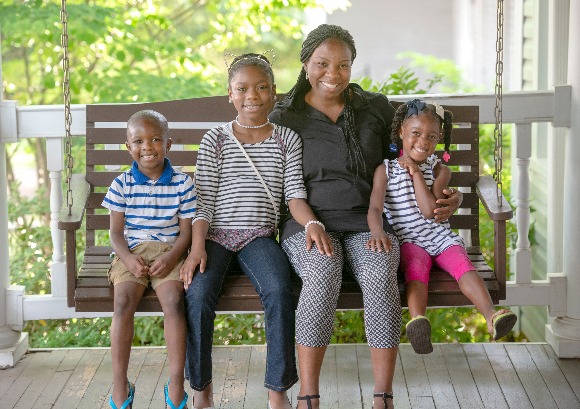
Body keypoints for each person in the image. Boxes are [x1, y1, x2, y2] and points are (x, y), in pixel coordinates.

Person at [269, 24, 462, 409]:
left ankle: (382, 397)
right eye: (322, 64)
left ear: (353, 65)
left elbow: (414, 147)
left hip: (369, 221)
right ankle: (308, 395)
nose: (332, 74)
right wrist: (310, 223)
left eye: (343, 65)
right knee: (322, 273)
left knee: (380, 275)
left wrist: (445, 190)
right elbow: (279, 183)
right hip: (308, 223)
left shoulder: (374, 107)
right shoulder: (286, 116)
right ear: (306, 63)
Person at [179, 53, 333, 409]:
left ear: (274, 93)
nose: (253, 95)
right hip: (215, 235)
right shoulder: (214, 140)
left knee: (280, 290)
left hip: (258, 237)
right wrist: (197, 246)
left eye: (262, 87)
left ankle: (276, 391)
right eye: (243, 88)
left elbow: (294, 195)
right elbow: (202, 203)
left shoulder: (286, 140)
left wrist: (311, 223)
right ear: (230, 95)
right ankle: (201, 390)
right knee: (198, 296)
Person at [367, 99, 518, 356]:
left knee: (463, 266)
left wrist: (416, 173)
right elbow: (374, 209)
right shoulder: (386, 170)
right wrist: (377, 231)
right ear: (402, 132)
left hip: (439, 235)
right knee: (416, 270)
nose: (423, 142)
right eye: (416, 133)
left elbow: (430, 210)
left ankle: (491, 316)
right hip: (409, 240)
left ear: (438, 140)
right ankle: (418, 323)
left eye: (431, 136)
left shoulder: (439, 170)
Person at [102, 110, 196, 409]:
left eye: (156, 139)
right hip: (132, 253)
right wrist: (128, 259)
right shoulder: (122, 184)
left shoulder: (183, 183)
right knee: (123, 302)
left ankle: (177, 384)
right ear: (128, 147)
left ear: (168, 144)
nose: (148, 147)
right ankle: (120, 385)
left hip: (169, 252)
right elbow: (116, 234)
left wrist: (171, 258)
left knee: (172, 301)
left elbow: (186, 233)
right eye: (139, 141)